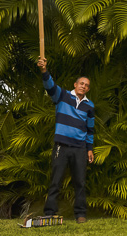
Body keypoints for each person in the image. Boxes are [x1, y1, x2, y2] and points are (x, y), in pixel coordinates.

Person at [38, 57, 95, 224]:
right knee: (55, 181)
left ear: (88, 89)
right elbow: (49, 85)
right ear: (75, 85)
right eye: (81, 83)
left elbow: (90, 130)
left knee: (80, 183)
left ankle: (80, 214)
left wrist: (89, 148)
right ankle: (50, 212)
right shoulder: (62, 96)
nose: (83, 86)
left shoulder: (89, 106)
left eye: (86, 85)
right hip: (61, 147)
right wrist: (44, 70)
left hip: (79, 149)